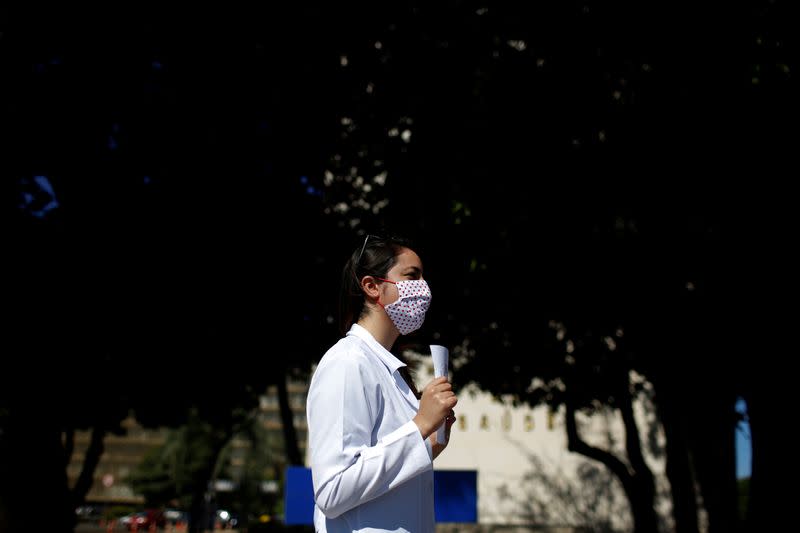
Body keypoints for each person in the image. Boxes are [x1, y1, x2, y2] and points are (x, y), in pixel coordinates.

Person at [306, 233, 458, 533]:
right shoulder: (348, 362)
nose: (422, 289)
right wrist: (419, 427)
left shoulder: (388, 370)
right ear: (372, 286)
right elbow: (332, 490)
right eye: (411, 276)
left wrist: (427, 446)